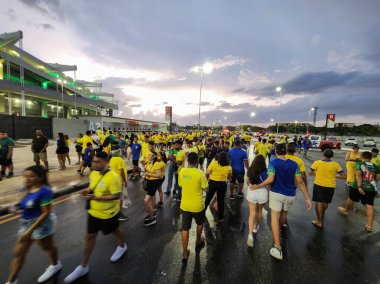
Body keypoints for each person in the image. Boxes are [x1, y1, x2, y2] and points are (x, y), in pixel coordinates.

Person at [64, 152, 127, 283]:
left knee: (115, 231)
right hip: (93, 212)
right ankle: (83, 266)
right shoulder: (93, 173)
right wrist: (88, 190)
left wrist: (96, 197)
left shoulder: (113, 177)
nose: (94, 164)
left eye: (99, 162)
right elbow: (93, 186)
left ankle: (122, 245)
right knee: (90, 237)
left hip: (108, 213)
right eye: (93, 162)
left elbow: (116, 196)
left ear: (106, 162)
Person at [250, 143, 312, 260]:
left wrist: (257, 186)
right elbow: (300, 181)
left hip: (276, 194)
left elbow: (270, 179)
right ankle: (278, 231)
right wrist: (307, 198)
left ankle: (277, 247)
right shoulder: (294, 164)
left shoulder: (273, 163)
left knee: (274, 217)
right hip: (290, 195)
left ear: (276, 152)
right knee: (284, 214)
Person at [6, 165, 61, 284]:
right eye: (25, 176)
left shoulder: (45, 191)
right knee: (18, 254)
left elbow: (46, 213)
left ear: (40, 177)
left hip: (41, 225)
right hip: (25, 223)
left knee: (47, 247)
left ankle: (55, 265)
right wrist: (15, 207)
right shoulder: (26, 188)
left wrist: (29, 232)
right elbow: (22, 203)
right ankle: (11, 281)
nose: (27, 178)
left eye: (31, 176)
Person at [338, 151, 380, 232]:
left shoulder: (359, 165)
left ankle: (345, 210)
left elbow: (358, 176)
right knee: (369, 205)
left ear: (362, 157)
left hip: (357, 187)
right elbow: (378, 179)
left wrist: (360, 187)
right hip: (370, 188)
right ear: (371, 158)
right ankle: (370, 226)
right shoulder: (376, 166)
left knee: (351, 199)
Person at [178, 152, 208, 263]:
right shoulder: (200, 173)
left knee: (185, 228)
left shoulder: (182, 171)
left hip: (185, 205)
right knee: (200, 223)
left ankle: (185, 252)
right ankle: (198, 239)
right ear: (197, 162)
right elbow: (206, 189)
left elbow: (180, 185)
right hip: (198, 206)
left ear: (187, 160)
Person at [308, 149, 346, 228]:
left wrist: (317, 172)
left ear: (323, 154)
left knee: (318, 202)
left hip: (319, 185)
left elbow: (310, 173)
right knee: (325, 202)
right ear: (332, 156)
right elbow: (344, 176)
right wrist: (334, 176)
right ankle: (321, 213)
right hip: (330, 186)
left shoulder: (317, 163)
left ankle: (319, 221)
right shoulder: (336, 164)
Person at [246, 155, 268, 247]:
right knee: (259, 212)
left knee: (252, 214)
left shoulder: (250, 169)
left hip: (252, 191)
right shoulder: (266, 171)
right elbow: (268, 182)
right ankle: (255, 227)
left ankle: (250, 235)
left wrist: (250, 185)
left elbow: (247, 181)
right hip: (262, 192)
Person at [205, 151, 232, 223]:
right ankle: (221, 217)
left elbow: (207, 172)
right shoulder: (229, 166)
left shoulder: (214, 163)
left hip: (212, 183)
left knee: (208, 198)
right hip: (222, 184)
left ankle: (202, 212)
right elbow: (229, 177)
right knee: (221, 201)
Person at [142, 151, 164, 226]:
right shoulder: (148, 163)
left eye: (150, 155)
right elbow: (146, 171)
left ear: (154, 156)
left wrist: (148, 174)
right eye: (148, 155)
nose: (148, 156)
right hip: (149, 182)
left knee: (146, 200)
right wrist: (145, 170)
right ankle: (152, 213)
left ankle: (152, 219)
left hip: (154, 183)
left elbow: (160, 175)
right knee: (150, 200)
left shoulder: (157, 164)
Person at [109, 149, 129, 221]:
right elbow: (121, 171)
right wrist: (124, 181)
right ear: (117, 152)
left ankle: (113, 212)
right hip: (119, 181)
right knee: (119, 198)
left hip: (113, 180)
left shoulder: (111, 159)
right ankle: (118, 214)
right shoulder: (119, 159)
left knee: (115, 197)